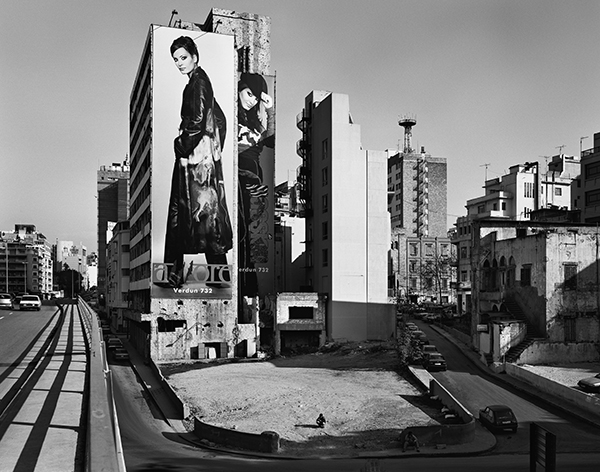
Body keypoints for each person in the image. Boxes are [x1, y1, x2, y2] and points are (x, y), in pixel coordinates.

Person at [164, 36, 233, 288]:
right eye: (175, 60)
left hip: (193, 163)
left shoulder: (199, 83)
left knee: (189, 215)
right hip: (199, 162)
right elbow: (221, 120)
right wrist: (212, 150)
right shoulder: (198, 82)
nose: (179, 63)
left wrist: (181, 144)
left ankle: (173, 276)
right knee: (201, 217)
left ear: (194, 56)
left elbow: (196, 122)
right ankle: (215, 278)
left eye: (183, 57)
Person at [236, 72, 274, 295]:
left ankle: (250, 285)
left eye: (255, 98)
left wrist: (270, 110)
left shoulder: (255, 122)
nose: (251, 100)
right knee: (239, 228)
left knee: (253, 232)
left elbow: (270, 138)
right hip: (237, 177)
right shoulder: (229, 117)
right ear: (239, 88)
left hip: (254, 179)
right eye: (248, 94)